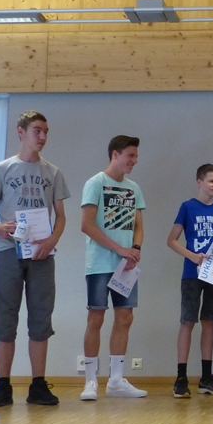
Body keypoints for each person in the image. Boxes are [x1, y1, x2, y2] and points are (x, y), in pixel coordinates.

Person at [0, 111, 69, 407]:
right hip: (9, 251)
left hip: (42, 252)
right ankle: (3, 385)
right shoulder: (3, 169)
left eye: (45, 131)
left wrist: (52, 239)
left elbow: (61, 216)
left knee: (41, 317)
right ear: (21, 132)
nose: (42, 136)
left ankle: (38, 385)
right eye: (36, 130)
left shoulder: (53, 173)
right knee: (5, 316)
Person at [79, 135, 148, 401]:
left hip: (126, 265)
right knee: (96, 317)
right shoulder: (95, 183)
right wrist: (119, 249)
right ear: (115, 155)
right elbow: (87, 224)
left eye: (136, 156)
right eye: (130, 155)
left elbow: (138, 225)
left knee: (125, 317)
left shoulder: (134, 188)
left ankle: (116, 380)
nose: (134, 160)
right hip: (100, 263)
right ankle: (90, 381)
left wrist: (135, 249)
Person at [167, 164, 213, 399]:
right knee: (188, 321)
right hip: (192, 273)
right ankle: (181, 377)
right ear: (199, 182)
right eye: (211, 181)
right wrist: (192, 256)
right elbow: (172, 240)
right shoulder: (188, 207)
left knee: (209, 322)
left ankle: (206, 377)